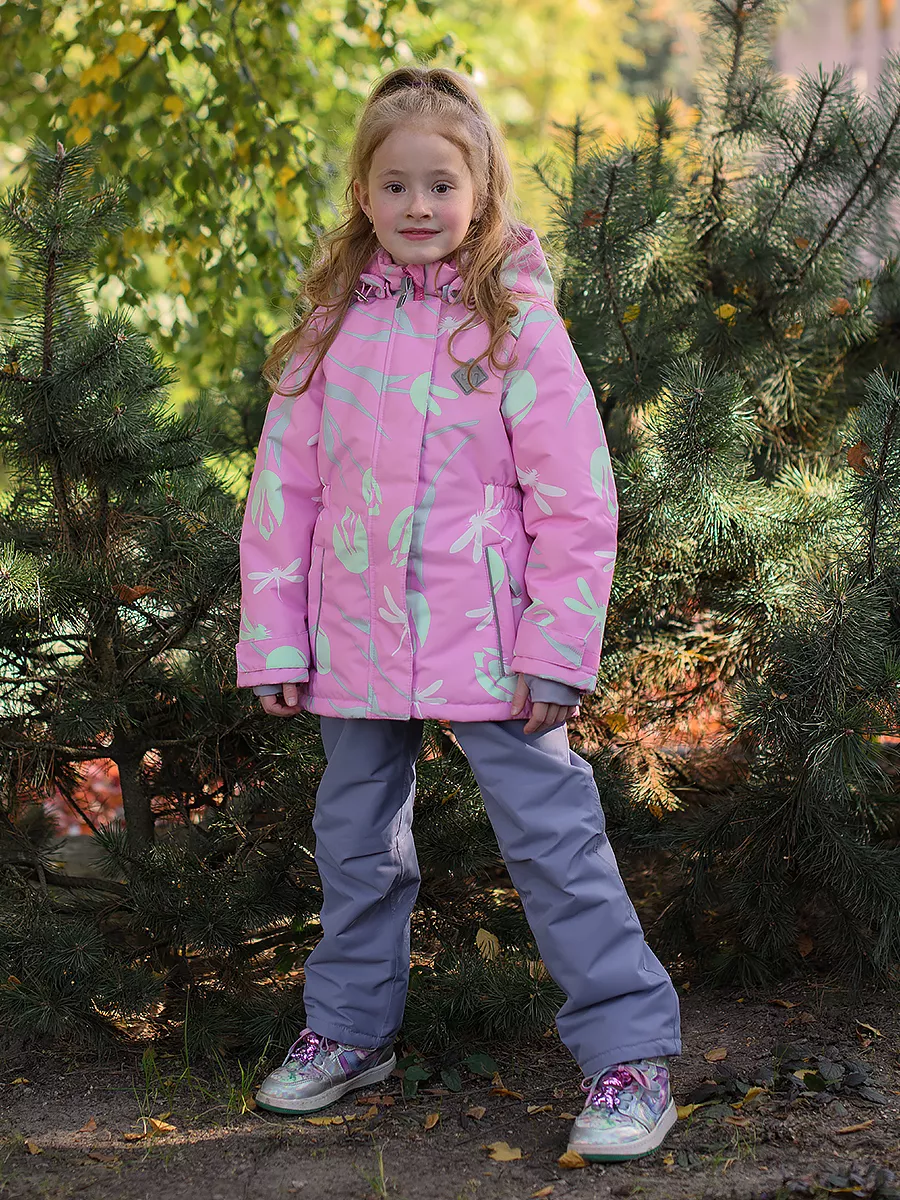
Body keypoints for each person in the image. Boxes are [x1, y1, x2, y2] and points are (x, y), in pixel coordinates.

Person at [236, 65, 681, 1162]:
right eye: (396, 185)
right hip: (353, 638)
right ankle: (349, 1033)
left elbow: (575, 497)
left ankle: (629, 1058)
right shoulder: (329, 330)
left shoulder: (516, 324)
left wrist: (557, 647)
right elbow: (283, 494)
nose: (419, 205)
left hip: (493, 642)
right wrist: (277, 638)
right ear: (364, 194)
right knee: (355, 843)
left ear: (481, 192)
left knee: (555, 840)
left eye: (442, 183)